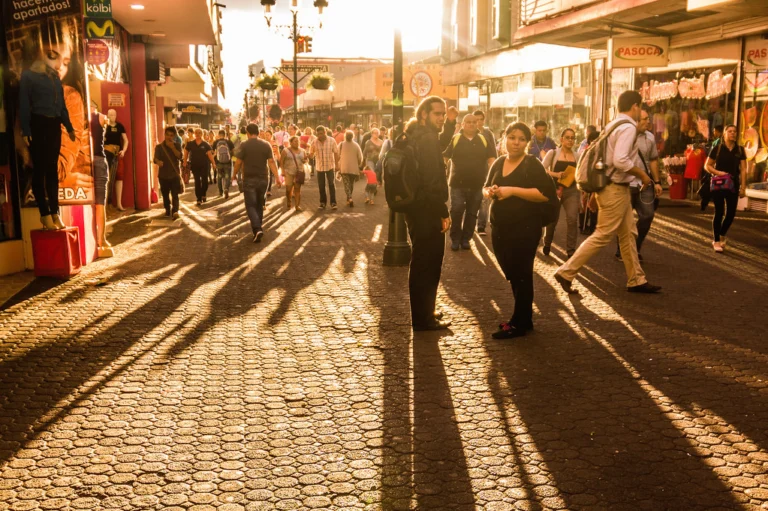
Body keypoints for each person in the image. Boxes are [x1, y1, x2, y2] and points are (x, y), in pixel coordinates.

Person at [554, 90, 662, 295]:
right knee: (603, 234)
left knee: (628, 233)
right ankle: (566, 271)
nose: (642, 111)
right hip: (615, 189)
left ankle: (636, 279)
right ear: (634, 106)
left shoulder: (613, 125)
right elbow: (619, 160)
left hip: (612, 187)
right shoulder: (628, 127)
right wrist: (643, 174)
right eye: (640, 106)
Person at [483, 122, 557, 339]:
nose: (516, 142)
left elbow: (545, 194)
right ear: (504, 138)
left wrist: (512, 191)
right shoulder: (498, 162)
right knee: (512, 270)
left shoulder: (532, 164)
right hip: (500, 226)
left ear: (527, 142)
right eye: (512, 137)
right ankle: (523, 318)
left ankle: (520, 321)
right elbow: (485, 186)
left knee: (522, 273)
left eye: (521, 139)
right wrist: (491, 192)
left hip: (525, 227)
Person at [403, 96, 455, 331]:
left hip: (417, 208)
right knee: (428, 264)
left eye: (443, 114)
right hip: (426, 209)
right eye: (437, 114)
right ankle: (424, 319)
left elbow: (441, 145)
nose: (442, 117)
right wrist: (443, 211)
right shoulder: (426, 140)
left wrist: (451, 124)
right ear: (424, 114)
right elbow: (432, 180)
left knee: (423, 262)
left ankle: (426, 311)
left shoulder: (417, 135)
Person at [614, 111, 663, 262]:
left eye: (649, 118)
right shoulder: (626, 135)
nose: (648, 122)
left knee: (647, 215)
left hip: (645, 184)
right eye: (644, 119)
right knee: (623, 220)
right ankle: (623, 250)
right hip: (626, 183)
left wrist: (657, 182)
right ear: (636, 120)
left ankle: (634, 247)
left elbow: (653, 160)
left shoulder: (650, 137)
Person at [443, 114, 496, 251]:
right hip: (457, 184)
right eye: (468, 122)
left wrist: (493, 177)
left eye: (474, 122)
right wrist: (440, 171)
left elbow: (491, 159)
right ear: (463, 124)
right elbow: (445, 157)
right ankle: (455, 239)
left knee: (472, 213)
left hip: (478, 184)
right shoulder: (456, 139)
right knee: (456, 211)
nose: (472, 124)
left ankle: (466, 239)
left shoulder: (483, 139)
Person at [234, 123, 281, 243]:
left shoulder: (244, 145)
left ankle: (257, 228)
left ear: (248, 133)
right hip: (263, 179)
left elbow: (238, 162)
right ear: (259, 133)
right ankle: (258, 228)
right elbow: (271, 162)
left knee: (250, 205)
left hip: (249, 178)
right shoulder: (266, 144)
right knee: (259, 204)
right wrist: (277, 178)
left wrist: (233, 175)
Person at [704, 124, 746, 253]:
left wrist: (743, 186)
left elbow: (744, 169)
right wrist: (719, 173)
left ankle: (722, 234)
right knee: (719, 212)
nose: (733, 133)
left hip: (733, 184)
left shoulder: (740, 150)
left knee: (731, 213)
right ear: (724, 134)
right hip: (719, 183)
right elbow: (707, 166)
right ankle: (716, 240)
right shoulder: (717, 148)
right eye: (730, 131)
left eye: (735, 131)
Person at [541, 128, 580, 259]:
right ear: (561, 139)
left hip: (571, 191)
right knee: (552, 220)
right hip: (554, 190)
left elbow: (581, 173)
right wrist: (556, 174)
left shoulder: (577, 156)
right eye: (567, 137)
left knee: (572, 219)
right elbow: (542, 169)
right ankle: (547, 243)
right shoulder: (553, 153)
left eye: (572, 138)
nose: (570, 140)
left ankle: (571, 251)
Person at [473, 109, 498, 236]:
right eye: (476, 120)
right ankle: (470, 224)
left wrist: (494, 169)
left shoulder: (488, 133)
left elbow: (493, 152)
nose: (478, 122)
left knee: (484, 199)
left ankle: (481, 226)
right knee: (472, 199)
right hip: (471, 172)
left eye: (480, 119)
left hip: (485, 172)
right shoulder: (468, 133)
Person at [153, 126, 183, 220]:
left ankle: (175, 211)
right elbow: (155, 158)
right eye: (167, 135)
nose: (169, 137)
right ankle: (167, 209)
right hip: (163, 175)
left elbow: (180, 157)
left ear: (174, 136)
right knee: (165, 195)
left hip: (174, 174)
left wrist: (173, 148)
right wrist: (158, 162)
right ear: (164, 135)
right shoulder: (159, 147)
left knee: (175, 194)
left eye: (171, 135)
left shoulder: (177, 145)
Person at [309, 126, 340, 210]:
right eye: (318, 134)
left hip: (330, 166)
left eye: (321, 133)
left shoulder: (331, 140)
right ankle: (322, 202)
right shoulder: (314, 142)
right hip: (319, 167)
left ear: (325, 132)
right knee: (321, 186)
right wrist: (310, 155)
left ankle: (333, 202)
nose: (320, 135)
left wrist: (337, 165)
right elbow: (311, 153)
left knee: (331, 184)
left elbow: (336, 153)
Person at [183, 128, 215, 206]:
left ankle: (203, 194)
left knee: (205, 181)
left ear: (202, 134)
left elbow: (210, 154)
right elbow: (186, 152)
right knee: (197, 181)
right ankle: (199, 198)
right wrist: (184, 161)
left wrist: (213, 163)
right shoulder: (190, 143)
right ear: (194, 134)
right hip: (195, 165)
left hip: (205, 165)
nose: (198, 134)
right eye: (196, 133)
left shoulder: (205, 144)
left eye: (199, 133)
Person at [280, 135, 307, 211]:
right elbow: (281, 161)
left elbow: (305, 160)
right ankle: (289, 202)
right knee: (288, 189)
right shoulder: (285, 151)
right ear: (290, 143)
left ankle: (297, 206)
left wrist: (305, 160)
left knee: (297, 189)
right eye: (295, 141)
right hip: (288, 172)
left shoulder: (302, 151)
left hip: (299, 172)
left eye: (298, 141)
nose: (297, 143)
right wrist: (282, 171)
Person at [338, 130, 363, 207]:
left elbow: (337, 155)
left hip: (344, 167)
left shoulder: (341, 144)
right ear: (353, 137)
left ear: (345, 136)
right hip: (354, 168)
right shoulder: (356, 145)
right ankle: (349, 198)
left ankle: (350, 198)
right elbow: (360, 157)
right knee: (351, 184)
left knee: (346, 184)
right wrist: (358, 164)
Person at [213, 130, 235, 199]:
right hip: (227, 162)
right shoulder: (229, 142)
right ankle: (226, 189)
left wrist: (214, 161)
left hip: (219, 162)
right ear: (225, 135)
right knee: (227, 177)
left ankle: (220, 192)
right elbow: (233, 151)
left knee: (219, 177)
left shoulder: (216, 142)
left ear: (219, 135)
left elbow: (213, 152)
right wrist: (230, 156)